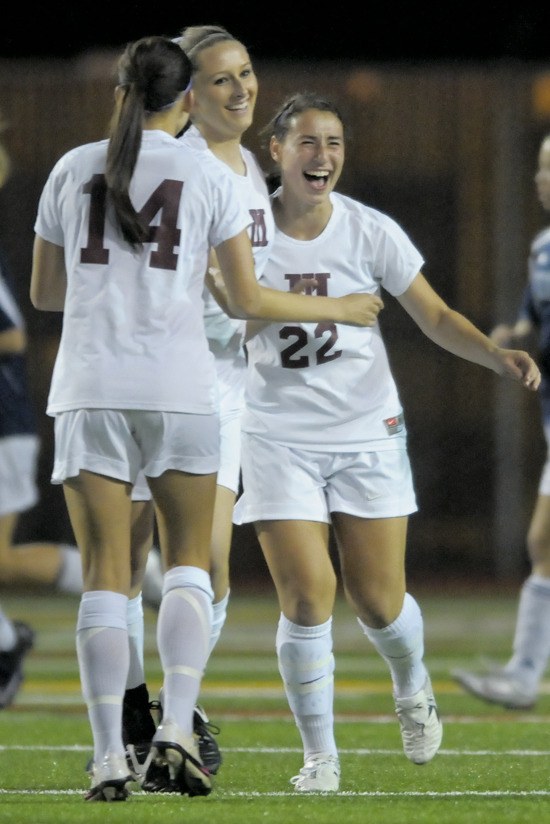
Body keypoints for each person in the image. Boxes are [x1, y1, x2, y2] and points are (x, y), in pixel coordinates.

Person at [30, 38, 382, 802]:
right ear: (187, 98)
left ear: (122, 94)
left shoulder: (71, 166)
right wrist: (340, 307)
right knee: (192, 564)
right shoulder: (208, 172)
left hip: (89, 387)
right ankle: (175, 732)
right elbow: (247, 301)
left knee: (105, 576)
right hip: (181, 387)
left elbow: (46, 293)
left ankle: (106, 761)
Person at [231, 91, 541, 793]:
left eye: (334, 142)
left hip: (366, 432)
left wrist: (497, 355)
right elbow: (221, 319)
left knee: (377, 600)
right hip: (276, 434)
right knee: (308, 596)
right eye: (307, 142)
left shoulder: (370, 230)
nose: (323, 156)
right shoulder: (242, 234)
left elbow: (432, 314)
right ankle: (319, 757)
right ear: (274, 153)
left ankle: (412, 680)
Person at [120, 23, 275, 782]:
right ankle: (141, 711)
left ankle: (177, 713)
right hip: (169, 376)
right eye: (221, 79)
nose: (242, 88)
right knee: (150, 558)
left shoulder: (245, 163)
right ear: (188, 92)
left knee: (207, 569)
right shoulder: (173, 164)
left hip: (229, 383)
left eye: (246, 72)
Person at [452, 133, 550, 710]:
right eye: (539, 167)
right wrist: (509, 340)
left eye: (549, 168)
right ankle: (524, 673)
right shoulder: (541, 249)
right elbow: (530, 317)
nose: (541, 178)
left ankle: (524, 673)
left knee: (543, 540)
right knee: (543, 542)